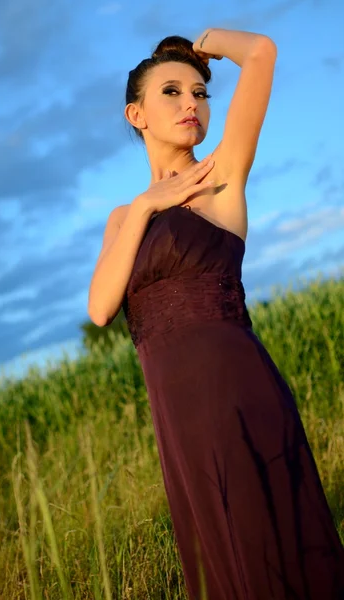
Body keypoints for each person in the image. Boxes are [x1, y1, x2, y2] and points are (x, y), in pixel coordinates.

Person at [87, 28, 344, 599]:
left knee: (266, 540)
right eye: (172, 92)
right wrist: (149, 204)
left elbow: (262, 53)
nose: (191, 104)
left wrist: (203, 42)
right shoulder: (122, 218)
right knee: (218, 551)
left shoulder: (220, 176)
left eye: (201, 94)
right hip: (178, 413)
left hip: (238, 386)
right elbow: (102, 308)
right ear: (137, 114)